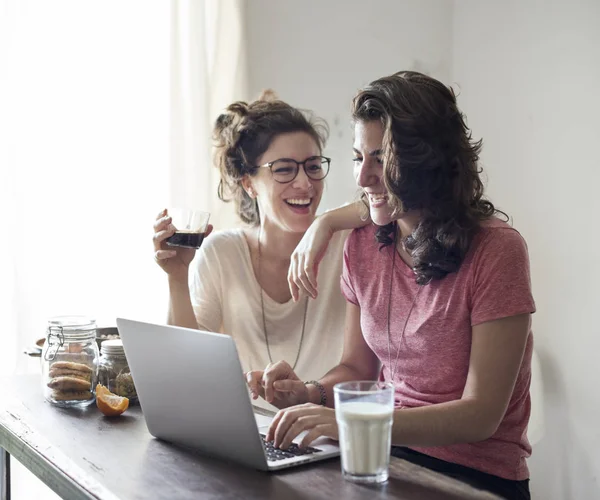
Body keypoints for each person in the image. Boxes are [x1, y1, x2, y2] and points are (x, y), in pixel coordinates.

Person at [247, 72, 535, 499]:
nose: (363, 178)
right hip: (383, 460)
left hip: (477, 480)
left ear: (428, 161)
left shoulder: (497, 251)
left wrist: (355, 420)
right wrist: (309, 393)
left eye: (381, 159)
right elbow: (358, 369)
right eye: (358, 157)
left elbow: (481, 415)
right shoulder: (362, 245)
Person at [152, 92, 349, 410]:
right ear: (249, 184)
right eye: (284, 169)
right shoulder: (223, 253)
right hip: (249, 432)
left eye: (313, 166)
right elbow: (186, 369)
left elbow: (388, 202)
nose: (305, 183)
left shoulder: (346, 242)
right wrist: (177, 276)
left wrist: (327, 223)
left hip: (326, 433)